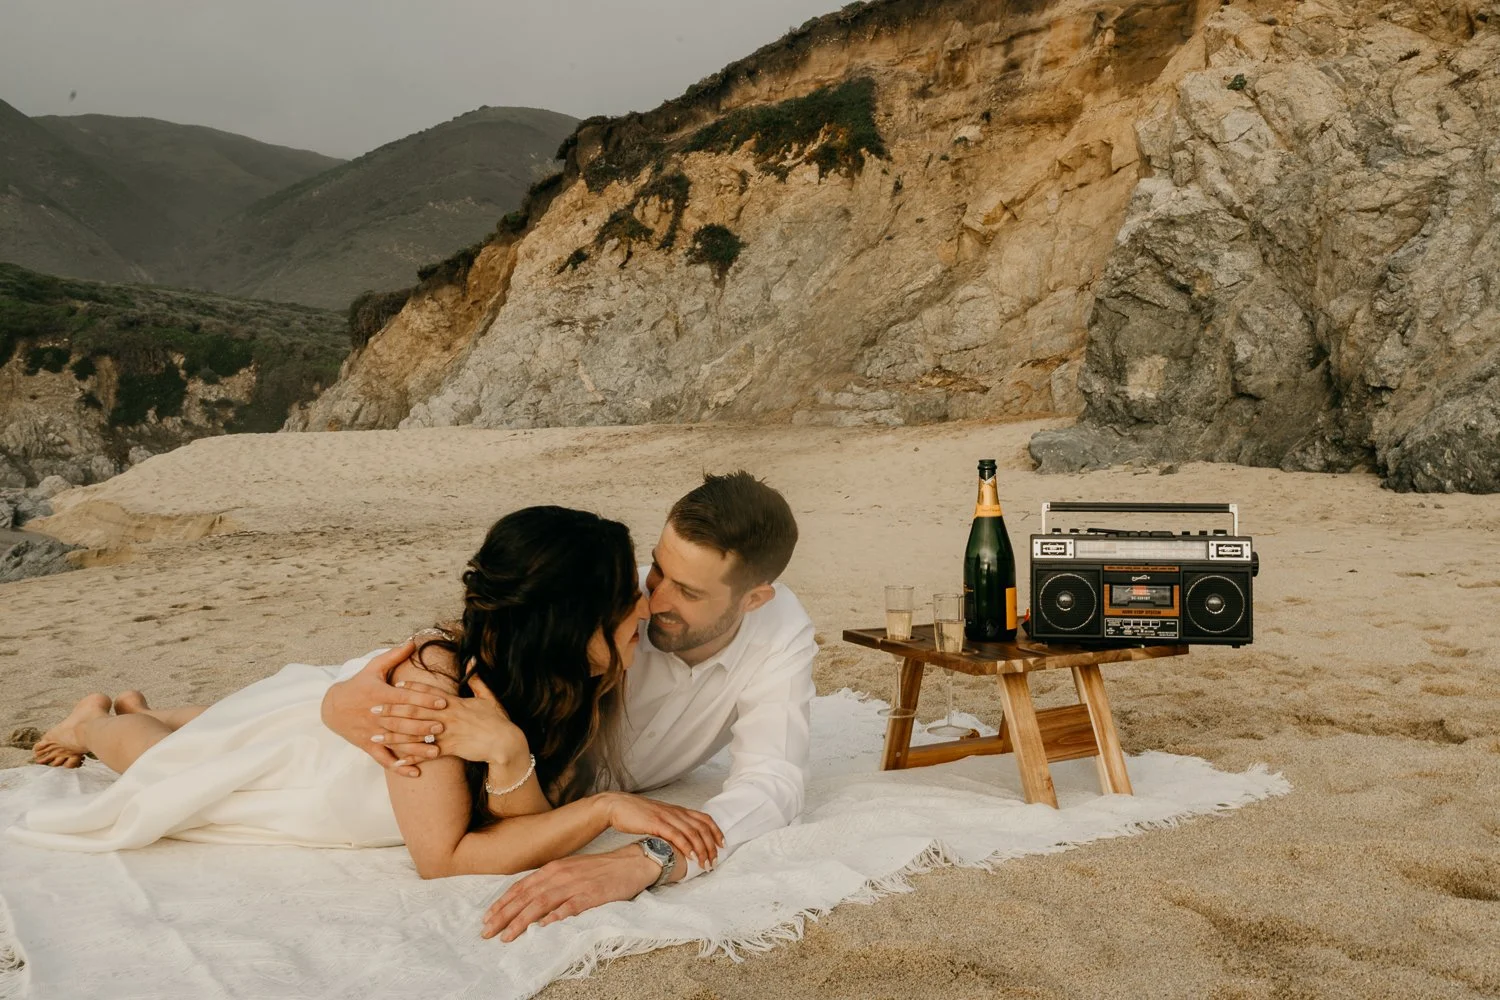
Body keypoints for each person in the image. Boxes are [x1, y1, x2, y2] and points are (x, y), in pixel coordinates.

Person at [12, 506, 725, 879]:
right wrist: (599, 807)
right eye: (627, 595)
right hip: (320, 771)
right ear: (571, 624)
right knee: (171, 768)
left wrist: (509, 757)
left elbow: (523, 817)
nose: (645, 603)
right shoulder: (433, 701)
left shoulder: (574, 675)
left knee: (225, 728)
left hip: (334, 729)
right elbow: (443, 858)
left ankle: (150, 710)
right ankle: (98, 716)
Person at [322, 471, 818, 941]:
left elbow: (772, 780)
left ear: (755, 599)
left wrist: (650, 857)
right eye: (658, 568)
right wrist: (339, 699)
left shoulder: (764, 631)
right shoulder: (600, 605)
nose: (653, 600)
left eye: (687, 591)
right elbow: (486, 644)